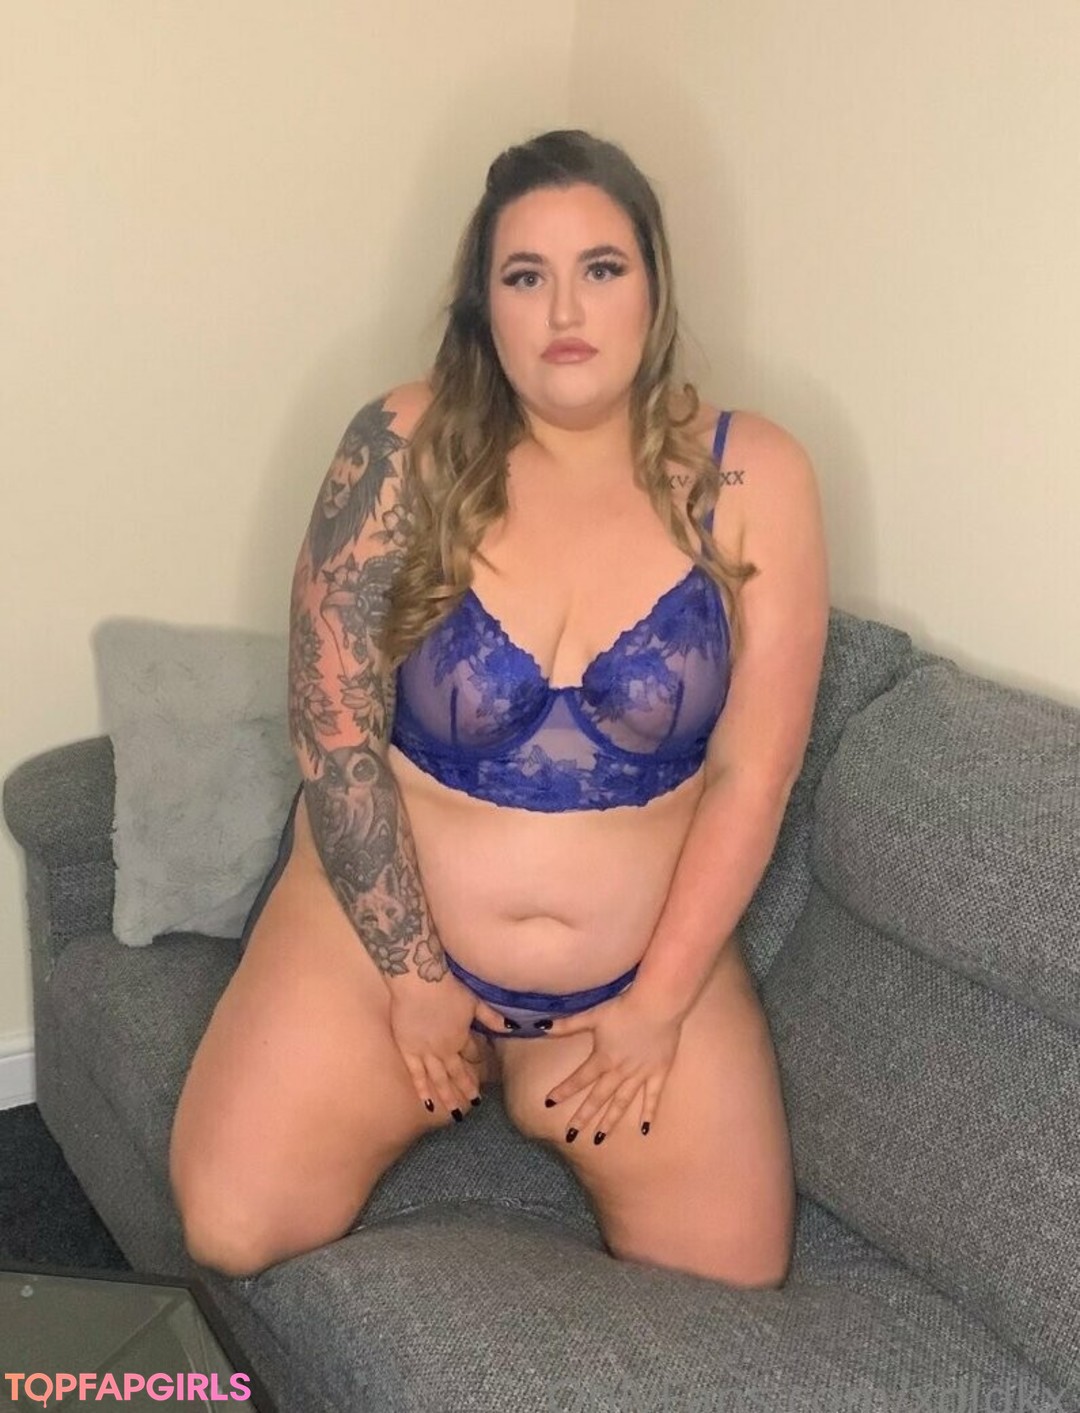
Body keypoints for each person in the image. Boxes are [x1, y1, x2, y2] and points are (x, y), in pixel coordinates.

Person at [168, 129, 829, 1289]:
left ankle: (542, 1065)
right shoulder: (401, 447)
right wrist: (415, 979)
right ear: (485, 303)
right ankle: (437, 1045)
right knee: (232, 1225)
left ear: (655, 285)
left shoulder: (754, 475)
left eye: (602, 268)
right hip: (380, 951)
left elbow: (752, 772)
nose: (565, 308)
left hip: (627, 985)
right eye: (526, 275)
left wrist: (657, 1006)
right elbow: (333, 732)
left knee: (733, 1281)